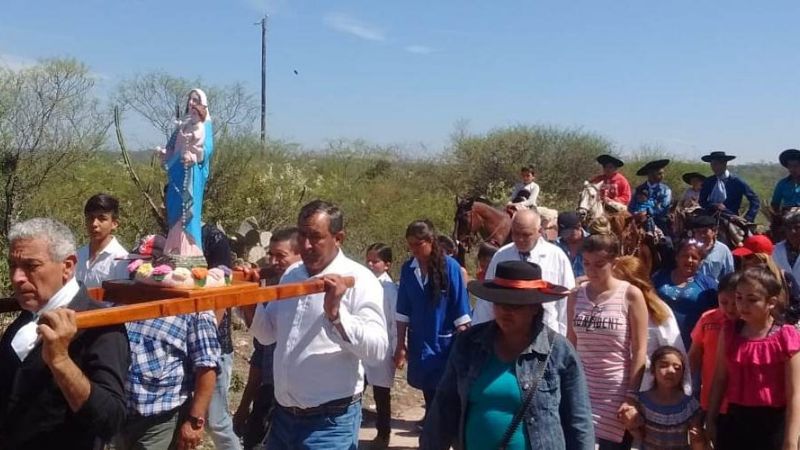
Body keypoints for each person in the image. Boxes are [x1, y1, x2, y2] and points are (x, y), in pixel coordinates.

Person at [250, 200, 388, 450]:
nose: (305, 245)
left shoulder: (362, 280)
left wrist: (336, 314)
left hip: (330, 424)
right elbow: (267, 334)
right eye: (302, 235)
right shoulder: (292, 275)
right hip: (283, 419)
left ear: (339, 238)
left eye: (315, 237)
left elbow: (377, 351)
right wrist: (247, 298)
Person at [421, 260, 595, 450]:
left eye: (516, 305)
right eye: (500, 303)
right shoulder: (469, 344)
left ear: (535, 307)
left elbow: (579, 422)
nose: (505, 311)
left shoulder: (559, 352)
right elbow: (444, 407)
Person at [0, 218, 130, 449]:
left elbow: (110, 420)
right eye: (13, 265)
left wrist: (60, 360)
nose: (17, 278)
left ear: (68, 266)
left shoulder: (101, 326)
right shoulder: (23, 319)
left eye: (31, 266)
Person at [567, 233, 648, 450]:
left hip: (615, 393)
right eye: (586, 264)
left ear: (614, 261)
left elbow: (640, 350)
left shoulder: (631, 295)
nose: (591, 270)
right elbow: (570, 344)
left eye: (599, 264)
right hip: (580, 389)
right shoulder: (575, 296)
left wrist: (632, 396)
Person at [706, 268, 800, 450]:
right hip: (734, 421)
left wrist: (791, 439)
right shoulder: (729, 332)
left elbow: (795, 393)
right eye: (739, 298)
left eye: (752, 300)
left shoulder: (785, 336)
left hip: (773, 424)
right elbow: (720, 379)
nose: (743, 305)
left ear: (771, 302)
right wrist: (710, 419)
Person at [394, 220, 471, 427]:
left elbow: (461, 311)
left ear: (430, 241)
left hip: (445, 343)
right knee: (427, 389)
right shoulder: (408, 270)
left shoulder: (450, 267)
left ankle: (441, 431)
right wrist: (401, 345)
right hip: (420, 341)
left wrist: (465, 348)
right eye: (410, 245)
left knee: (445, 392)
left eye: (418, 245)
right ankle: (433, 426)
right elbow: (402, 311)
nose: (414, 250)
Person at [234, 228, 301, 450]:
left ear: (300, 254)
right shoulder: (272, 285)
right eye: (271, 255)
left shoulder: (311, 291)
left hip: (299, 397)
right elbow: (262, 346)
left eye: (280, 256)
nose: (273, 261)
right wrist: (248, 291)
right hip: (270, 389)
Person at [473, 209, 575, 336]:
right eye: (515, 234)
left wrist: (563, 339)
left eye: (526, 234)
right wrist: (477, 335)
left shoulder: (557, 257)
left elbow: (566, 302)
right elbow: (486, 301)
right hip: (507, 334)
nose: (520, 239)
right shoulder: (502, 255)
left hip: (545, 333)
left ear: (539, 231)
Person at [613, 256, 689, 394]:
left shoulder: (658, 311)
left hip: (647, 390)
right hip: (611, 387)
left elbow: (675, 353)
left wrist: (682, 394)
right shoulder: (609, 310)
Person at [160, 88, 214, 255]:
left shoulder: (205, 125)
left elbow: (208, 149)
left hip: (192, 176)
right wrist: (165, 154)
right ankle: (173, 248)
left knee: (188, 211)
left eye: (195, 100)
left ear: (202, 104)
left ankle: (190, 248)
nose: (191, 103)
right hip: (178, 174)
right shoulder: (183, 125)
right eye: (190, 100)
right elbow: (171, 147)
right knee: (174, 207)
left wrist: (194, 156)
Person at [200, 223, 240, 450]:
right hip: (180, 343)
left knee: (216, 421)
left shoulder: (213, 237)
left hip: (214, 344)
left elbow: (223, 293)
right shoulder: (172, 237)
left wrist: (207, 336)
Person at [620, 346, 705, 450]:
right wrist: (631, 425)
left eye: (677, 367)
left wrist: (698, 440)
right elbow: (639, 436)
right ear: (652, 370)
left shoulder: (690, 405)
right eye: (663, 365)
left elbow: (697, 445)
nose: (671, 371)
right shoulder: (641, 402)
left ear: (683, 373)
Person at [688, 272, 739, 418]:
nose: (730, 308)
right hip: (711, 397)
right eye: (724, 302)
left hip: (741, 400)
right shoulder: (708, 319)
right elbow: (694, 355)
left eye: (735, 303)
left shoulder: (748, 323)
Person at [652, 238, 718, 349]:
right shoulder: (659, 277)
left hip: (693, 345)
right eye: (685, 256)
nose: (689, 260)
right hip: (661, 342)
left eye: (695, 257)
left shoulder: (708, 285)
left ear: (701, 261)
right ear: (676, 257)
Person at [363, 242, 398, 449]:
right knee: (356, 388)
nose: (370, 264)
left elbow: (394, 321)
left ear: (387, 265)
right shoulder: (362, 283)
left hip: (383, 347)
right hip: (363, 344)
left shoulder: (390, 289)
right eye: (368, 260)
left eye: (375, 261)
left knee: (381, 393)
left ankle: (383, 434)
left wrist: (397, 349)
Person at [733, 234, 800, 325]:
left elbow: (797, 307)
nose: (744, 261)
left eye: (748, 257)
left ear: (763, 258)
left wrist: (780, 326)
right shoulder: (739, 279)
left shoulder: (785, 278)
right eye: (742, 257)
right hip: (748, 331)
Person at [76, 193, 129, 288]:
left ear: (114, 224)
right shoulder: (78, 256)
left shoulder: (121, 260)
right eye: (90, 218)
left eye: (102, 218)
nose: (94, 224)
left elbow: (122, 298)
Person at [698, 151, 760, 223]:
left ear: (724, 164)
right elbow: (702, 201)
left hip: (731, 218)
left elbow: (754, 199)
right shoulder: (709, 181)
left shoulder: (736, 181)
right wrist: (714, 205)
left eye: (716, 164)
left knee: (739, 233)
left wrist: (749, 217)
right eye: (712, 165)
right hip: (709, 217)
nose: (713, 168)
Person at [630, 159, 672, 234]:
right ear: (650, 174)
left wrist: (647, 212)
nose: (662, 176)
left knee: (667, 243)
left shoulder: (666, 190)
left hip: (658, 220)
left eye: (663, 173)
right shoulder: (639, 189)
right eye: (659, 174)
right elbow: (631, 205)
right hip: (636, 219)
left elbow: (663, 208)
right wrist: (635, 213)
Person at [689, 214, 734, 280]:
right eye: (698, 232)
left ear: (714, 231)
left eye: (705, 231)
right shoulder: (688, 248)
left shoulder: (723, 250)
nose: (701, 235)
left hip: (712, 289)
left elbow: (729, 275)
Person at [556, 211, 586, 281]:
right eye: (564, 233)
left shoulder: (593, 242)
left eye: (569, 233)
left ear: (578, 227)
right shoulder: (556, 245)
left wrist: (580, 279)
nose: (566, 237)